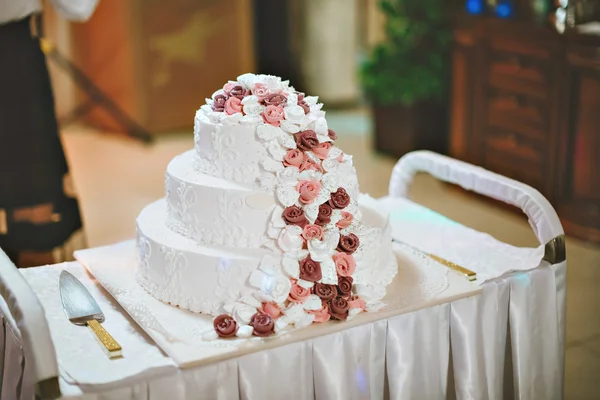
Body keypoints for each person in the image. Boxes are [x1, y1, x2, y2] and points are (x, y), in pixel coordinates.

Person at [0, 0, 98, 267]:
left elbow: (77, 7)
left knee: (31, 209)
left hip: (11, 63)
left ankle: (32, 304)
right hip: (12, 57)